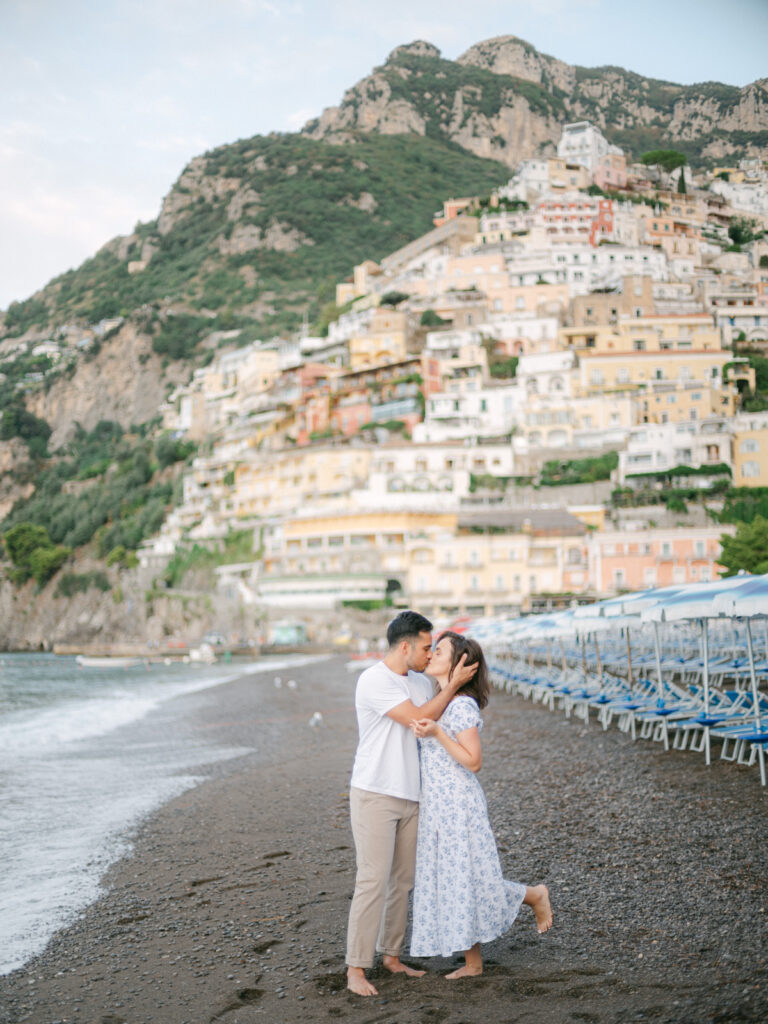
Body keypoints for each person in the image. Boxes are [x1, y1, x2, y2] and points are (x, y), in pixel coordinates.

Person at [346, 610, 478, 997]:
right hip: (375, 791)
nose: (428, 653)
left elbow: (444, 714)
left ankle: (390, 956)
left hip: (413, 794)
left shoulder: (421, 682)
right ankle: (356, 968)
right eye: (424, 647)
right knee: (372, 879)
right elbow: (420, 720)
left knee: (402, 882)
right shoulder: (374, 680)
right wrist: (451, 686)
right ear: (404, 646)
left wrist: (452, 688)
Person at [409, 631, 553, 978]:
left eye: (439, 651)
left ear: (460, 663)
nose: (430, 655)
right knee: (457, 879)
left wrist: (438, 734)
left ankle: (533, 895)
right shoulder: (441, 700)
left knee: (466, 878)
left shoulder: (461, 705)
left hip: (458, 804)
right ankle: (473, 962)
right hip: (437, 805)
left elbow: (474, 762)